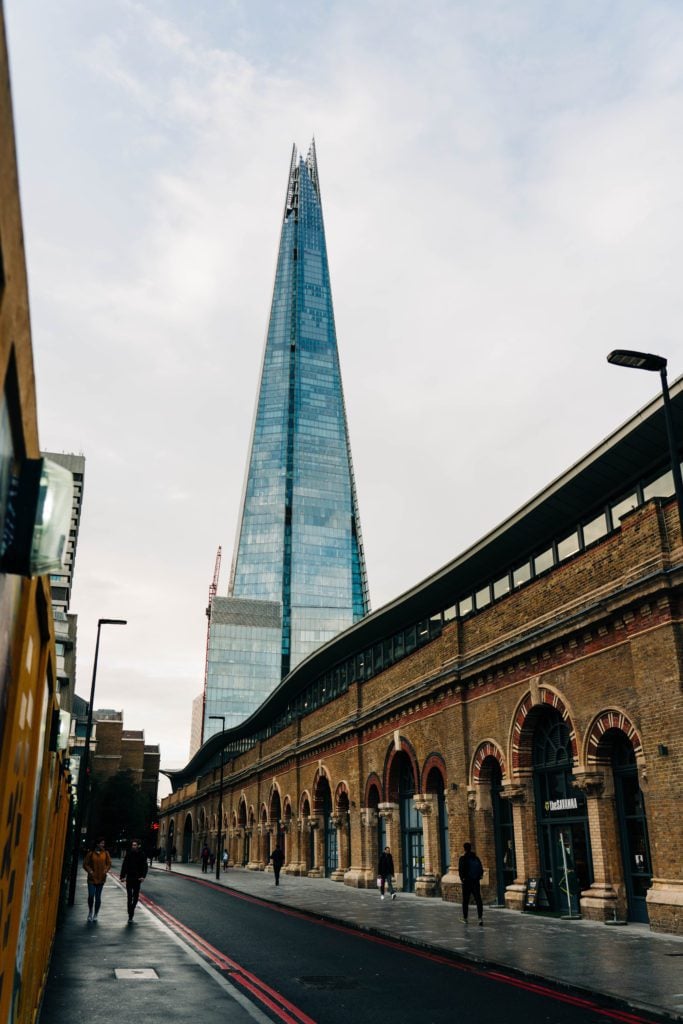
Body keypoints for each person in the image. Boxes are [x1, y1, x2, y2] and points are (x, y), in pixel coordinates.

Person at [83, 837, 112, 923]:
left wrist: (106, 870)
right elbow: (85, 864)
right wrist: (90, 871)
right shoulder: (91, 853)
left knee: (98, 897)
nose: (103, 845)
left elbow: (109, 863)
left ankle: (96, 914)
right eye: (101, 843)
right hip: (91, 878)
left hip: (101, 878)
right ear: (97, 844)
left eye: (104, 843)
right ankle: (90, 911)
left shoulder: (106, 853)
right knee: (91, 895)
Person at [120, 838, 148, 923]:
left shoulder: (142, 854)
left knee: (135, 897)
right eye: (132, 845)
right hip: (130, 878)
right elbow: (124, 865)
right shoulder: (129, 854)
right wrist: (122, 876)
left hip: (137, 879)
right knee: (129, 897)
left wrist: (143, 876)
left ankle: (131, 909)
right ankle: (130, 915)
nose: (133, 846)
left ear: (138, 846)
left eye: (135, 845)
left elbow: (145, 867)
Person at [458, 841, 484, 925]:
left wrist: (463, 879)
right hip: (475, 881)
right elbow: (481, 869)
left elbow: (461, 871)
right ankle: (480, 918)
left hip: (467, 883)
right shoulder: (476, 858)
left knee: (465, 901)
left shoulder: (463, 858)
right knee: (478, 900)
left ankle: (465, 918)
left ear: (464, 849)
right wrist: (478, 877)